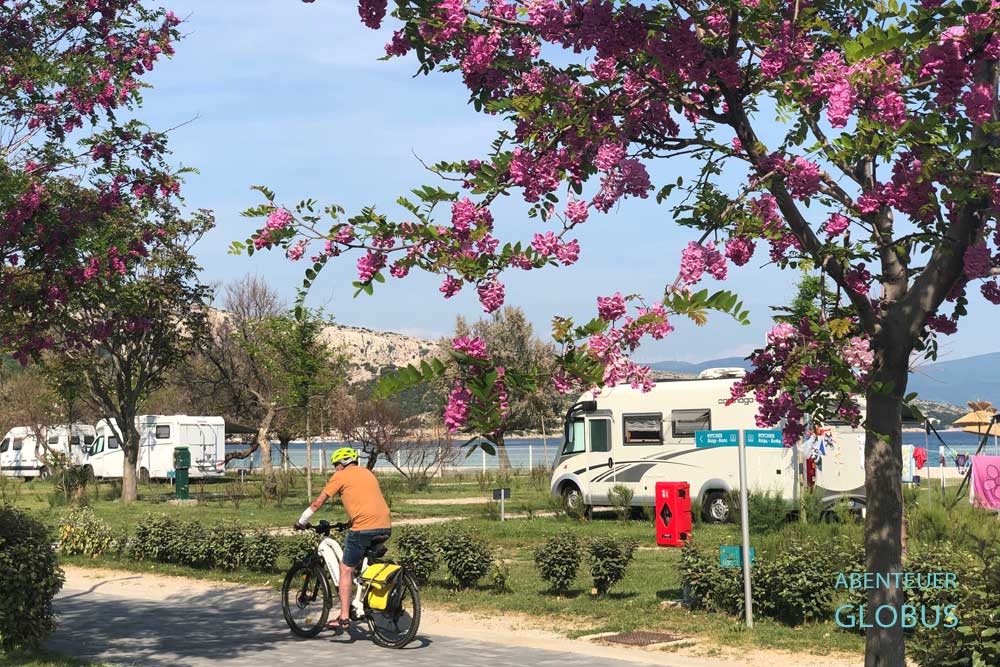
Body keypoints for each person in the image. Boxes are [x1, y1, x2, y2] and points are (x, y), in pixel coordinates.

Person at [295, 447, 391, 631]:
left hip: (363, 528)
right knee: (363, 565)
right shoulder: (368, 474)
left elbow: (317, 503)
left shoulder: (340, 476)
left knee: (345, 569)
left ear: (341, 464)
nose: (335, 469)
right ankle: (360, 601)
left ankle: (344, 617)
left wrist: (301, 521)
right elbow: (366, 501)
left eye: (335, 466)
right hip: (385, 525)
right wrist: (349, 522)